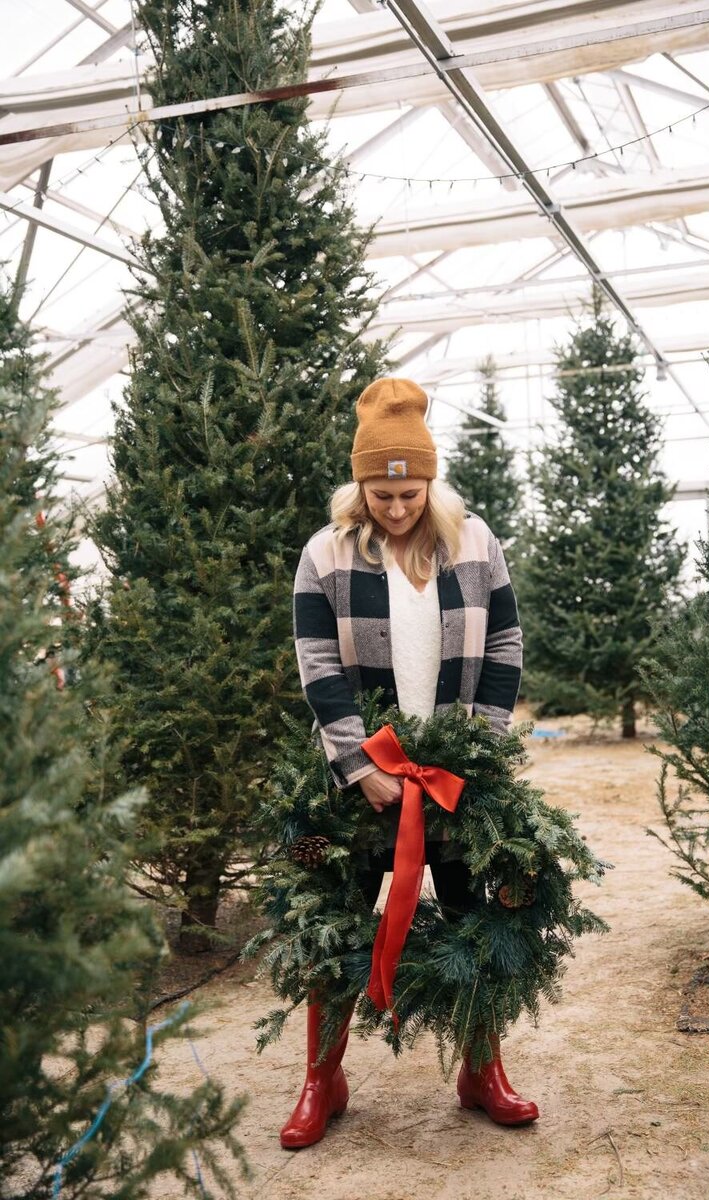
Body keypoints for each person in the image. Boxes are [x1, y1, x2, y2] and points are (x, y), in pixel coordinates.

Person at [282, 376, 538, 1150]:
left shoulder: (475, 542)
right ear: (360, 486)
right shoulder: (326, 554)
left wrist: (484, 748)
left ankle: (481, 1068)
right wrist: (361, 766)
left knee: (480, 917)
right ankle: (322, 1078)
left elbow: (505, 644)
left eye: (411, 492)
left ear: (431, 480)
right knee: (330, 922)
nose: (396, 509)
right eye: (380, 495)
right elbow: (317, 661)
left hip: (459, 774)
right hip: (361, 777)